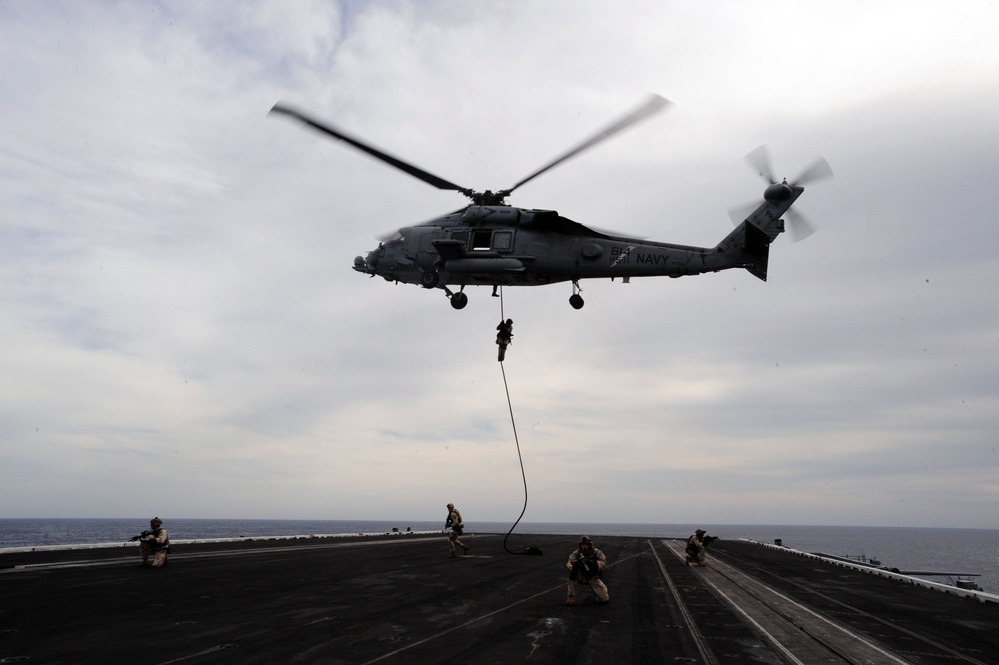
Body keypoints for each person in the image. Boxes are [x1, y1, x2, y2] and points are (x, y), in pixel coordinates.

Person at [565, 536, 609, 605]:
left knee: (604, 600)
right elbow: (569, 563)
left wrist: (595, 563)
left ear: (590, 545)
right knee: (571, 577)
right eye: (583, 544)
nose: (584, 546)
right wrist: (574, 565)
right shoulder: (577, 553)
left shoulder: (597, 553)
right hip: (581, 576)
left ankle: (598, 595)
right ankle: (570, 597)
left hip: (592, 577)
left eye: (586, 545)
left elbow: (603, 563)